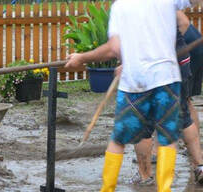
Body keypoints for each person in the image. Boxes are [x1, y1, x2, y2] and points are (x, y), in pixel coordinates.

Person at [64, 0, 202, 191]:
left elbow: (114, 48)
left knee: (119, 139)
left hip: (135, 82)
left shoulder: (121, 6)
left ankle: (109, 188)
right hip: (165, 78)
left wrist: (82, 57)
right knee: (167, 136)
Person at [131, 11, 203, 186]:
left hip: (160, 63)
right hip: (178, 58)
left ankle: (145, 176)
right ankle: (200, 166)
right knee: (183, 113)